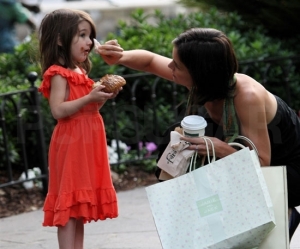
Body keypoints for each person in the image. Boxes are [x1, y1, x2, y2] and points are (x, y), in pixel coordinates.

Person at [97, 27, 300, 239]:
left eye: (176, 65)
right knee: (176, 139)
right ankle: (204, 219)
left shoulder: (247, 97)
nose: (169, 66)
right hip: (239, 150)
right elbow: (149, 61)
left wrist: (219, 148)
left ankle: (283, 213)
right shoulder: (204, 81)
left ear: (200, 73)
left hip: (285, 169)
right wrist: (119, 57)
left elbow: (262, 162)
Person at [38, 9, 122, 249]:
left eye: (90, 36)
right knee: (68, 205)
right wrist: (88, 98)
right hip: (71, 142)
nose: (89, 42)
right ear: (60, 39)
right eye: (82, 35)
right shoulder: (58, 74)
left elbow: (89, 108)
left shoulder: (81, 72)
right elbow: (58, 110)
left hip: (88, 140)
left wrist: (104, 96)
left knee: (79, 206)